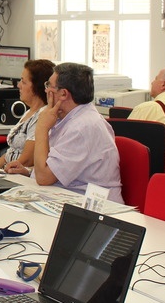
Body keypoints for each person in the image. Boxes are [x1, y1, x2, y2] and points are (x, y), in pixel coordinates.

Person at [20, 62, 123, 203]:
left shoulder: (83, 127)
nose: (46, 90)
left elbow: (44, 178)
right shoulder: (68, 118)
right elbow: (56, 167)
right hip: (67, 196)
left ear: (63, 94)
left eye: (49, 85)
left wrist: (41, 128)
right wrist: (29, 171)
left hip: (92, 207)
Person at [0, 59, 55, 175]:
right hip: (10, 170)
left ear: (36, 87)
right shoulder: (29, 112)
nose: (19, 85)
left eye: (23, 82)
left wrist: (1, 173)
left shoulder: (42, 115)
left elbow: (26, 161)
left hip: (18, 175)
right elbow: (9, 154)